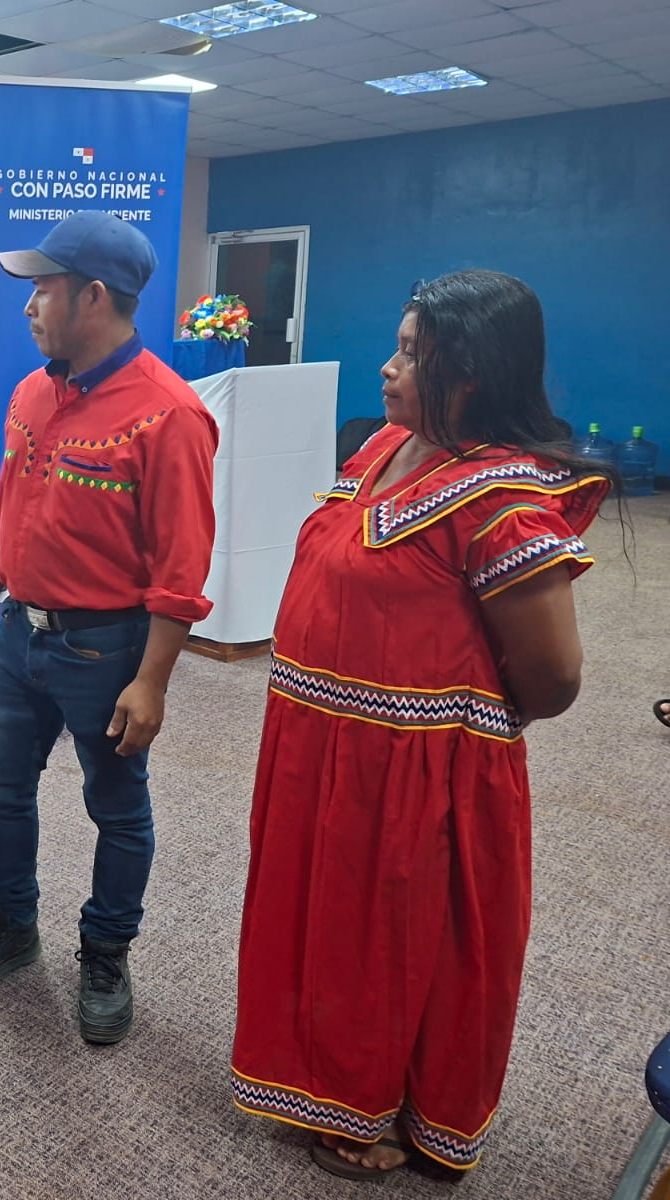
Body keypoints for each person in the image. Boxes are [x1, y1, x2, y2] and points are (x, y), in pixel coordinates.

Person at [231, 270, 614, 1179]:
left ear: (471, 374)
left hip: (412, 769)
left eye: (412, 353)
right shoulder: (384, 448)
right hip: (321, 745)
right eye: (398, 347)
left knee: (397, 937)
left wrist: (436, 722)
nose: (388, 367)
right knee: (325, 921)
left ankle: (388, 1105)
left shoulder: (503, 501)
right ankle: (324, 1081)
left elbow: (554, 676)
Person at [0, 211, 219, 1045]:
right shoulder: (32, 392)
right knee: (0, 789)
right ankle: (10, 926)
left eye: (43, 290)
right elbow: (12, 511)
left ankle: (105, 953)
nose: (27, 307)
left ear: (93, 297)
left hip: (108, 650)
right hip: (19, 637)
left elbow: (180, 569)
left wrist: (152, 682)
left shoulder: (169, 416)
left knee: (118, 808)